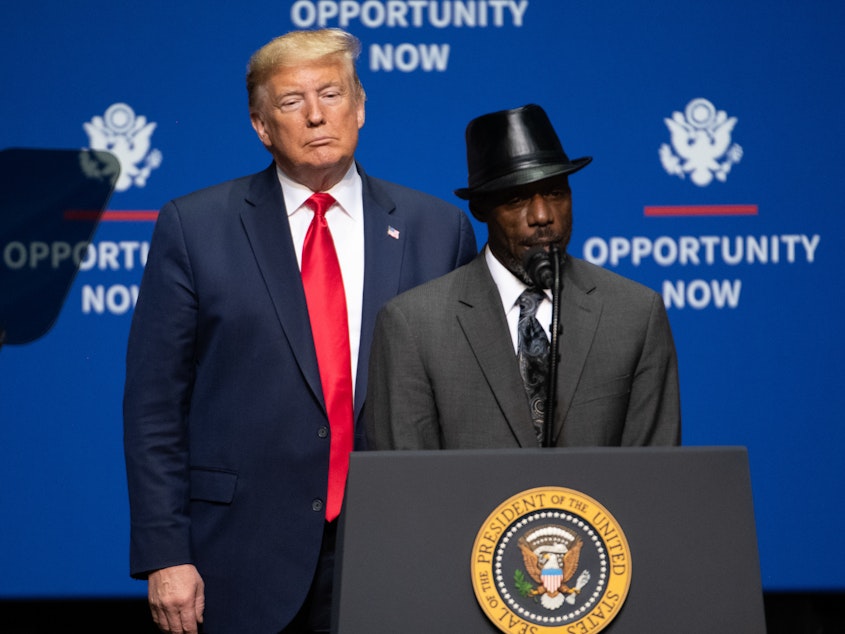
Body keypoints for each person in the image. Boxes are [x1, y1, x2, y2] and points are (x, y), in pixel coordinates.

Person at [123, 29, 476, 634]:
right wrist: (165, 553)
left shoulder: (438, 228)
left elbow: (467, 399)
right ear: (262, 126)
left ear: (360, 107)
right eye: (291, 102)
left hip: (401, 548)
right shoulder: (194, 227)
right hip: (239, 556)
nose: (316, 115)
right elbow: (155, 404)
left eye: (332, 93)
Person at [365, 104, 680, 450]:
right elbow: (406, 488)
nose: (542, 216)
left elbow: (655, 481)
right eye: (516, 199)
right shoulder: (414, 325)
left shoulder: (635, 313)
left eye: (556, 193)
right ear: (480, 208)